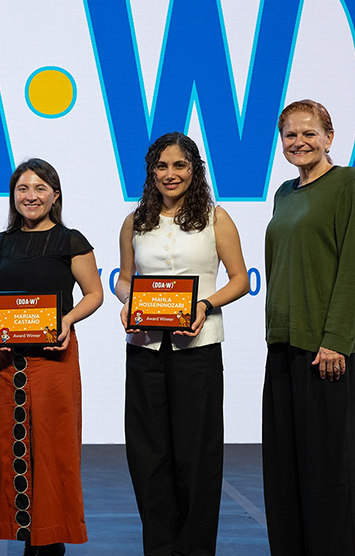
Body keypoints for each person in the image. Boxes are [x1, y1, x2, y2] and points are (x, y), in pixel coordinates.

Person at [115, 132, 248, 556]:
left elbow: (240, 279)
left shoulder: (215, 218)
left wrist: (205, 306)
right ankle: (159, 547)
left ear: (195, 170)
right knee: (148, 453)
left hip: (199, 349)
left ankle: (194, 549)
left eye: (179, 165)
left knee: (197, 453)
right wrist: (128, 302)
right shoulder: (135, 221)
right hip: (145, 348)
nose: (170, 174)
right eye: (161, 166)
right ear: (150, 171)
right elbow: (124, 279)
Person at [263, 100, 355, 556]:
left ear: (329, 137)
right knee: (284, 469)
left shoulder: (348, 184)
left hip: (327, 350)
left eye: (309, 133)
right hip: (284, 345)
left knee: (330, 472)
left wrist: (336, 342)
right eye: (290, 135)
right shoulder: (284, 193)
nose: (299, 142)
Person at [0, 159, 103, 556]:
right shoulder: (0, 244)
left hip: (54, 358)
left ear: (55, 195)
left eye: (40, 188)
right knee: (11, 444)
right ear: (13, 196)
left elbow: (94, 294)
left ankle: (52, 537)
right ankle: (25, 534)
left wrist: (66, 320)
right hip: (10, 360)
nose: (31, 196)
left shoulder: (71, 241)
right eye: (23, 189)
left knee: (53, 446)